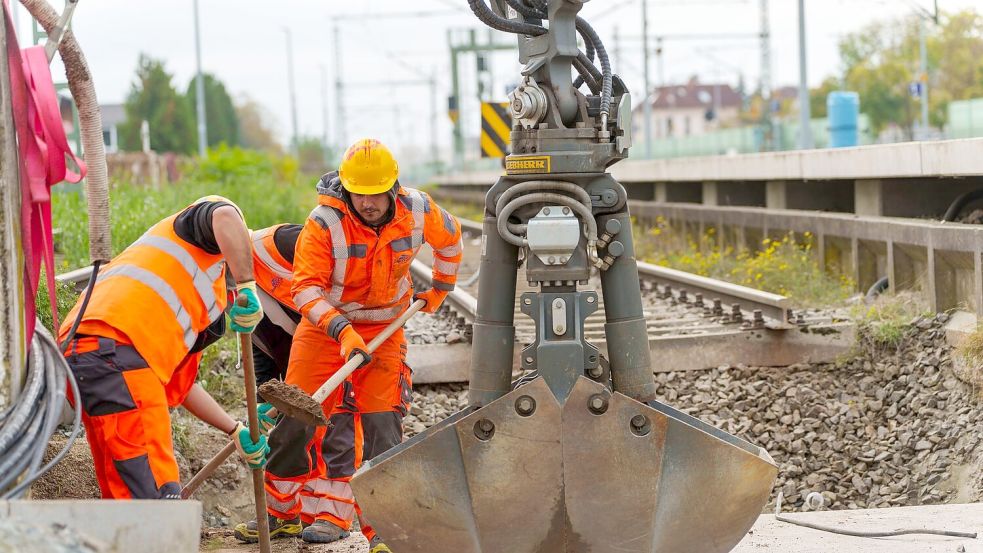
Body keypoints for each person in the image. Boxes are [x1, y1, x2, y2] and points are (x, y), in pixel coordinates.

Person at [234, 139, 463, 550]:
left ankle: (386, 530)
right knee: (293, 420)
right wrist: (342, 330)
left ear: (393, 188)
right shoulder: (323, 224)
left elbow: (451, 241)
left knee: (382, 428)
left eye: (376, 194)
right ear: (346, 188)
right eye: (360, 193)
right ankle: (281, 511)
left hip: (386, 331)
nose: (369, 202)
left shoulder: (420, 211)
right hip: (324, 331)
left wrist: (441, 289)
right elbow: (304, 289)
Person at [58, 196, 270, 500]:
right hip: (119, 353)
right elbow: (224, 214)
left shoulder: (179, 303)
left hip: (83, 355)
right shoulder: (199, 244)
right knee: (155, 495)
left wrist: (234, 429)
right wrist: (248, 283)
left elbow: (181, 388)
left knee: (125, 493)